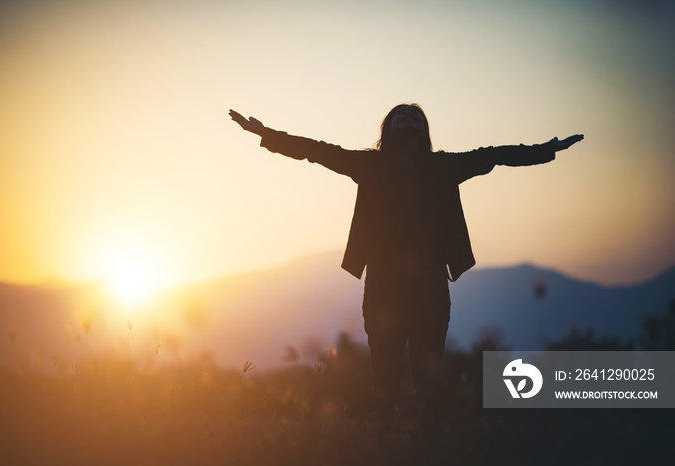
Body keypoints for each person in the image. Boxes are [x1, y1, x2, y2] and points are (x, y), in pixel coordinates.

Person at [229, 104, 583, 440]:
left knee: (428, 370)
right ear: (389, 128)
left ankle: (425, 442)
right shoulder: (369, 165)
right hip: (383, 285)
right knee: (385, 369)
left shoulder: (443, 167)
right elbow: (318, 151)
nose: (411, 119)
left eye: (417, 116)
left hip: (430, 285)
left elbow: (494, 155)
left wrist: (545, 149)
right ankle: (385, 440)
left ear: (424, 130)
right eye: (403, 116)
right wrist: (265, 134)